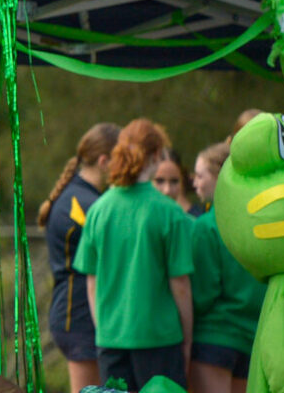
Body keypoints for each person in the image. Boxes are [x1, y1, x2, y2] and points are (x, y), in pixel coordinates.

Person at [74, 119, 195, 388]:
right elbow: (181, 286)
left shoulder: (98, 210)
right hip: (160, 340)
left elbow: (91, 283)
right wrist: (187, 339)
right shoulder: (169, 213)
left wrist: (105, 329)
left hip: (111, 340)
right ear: (154, 156)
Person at [43, 123, 120, 393]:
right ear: (103, 161)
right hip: (76, 315)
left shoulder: (89, 196)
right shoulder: (82, 203)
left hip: (80, 313)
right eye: (122, 158)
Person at [186, 142, 262, 393]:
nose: (194, 182)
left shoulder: (206, 226)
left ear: (220, 175)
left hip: (214, 338)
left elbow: (202, 295)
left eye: (200, 175)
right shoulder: (259, 224)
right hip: (252, 338)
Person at [157, 149, 200, 217]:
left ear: (182, 181)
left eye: (174, 181)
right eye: (160, 181)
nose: (167, 190)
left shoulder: (197, 220)